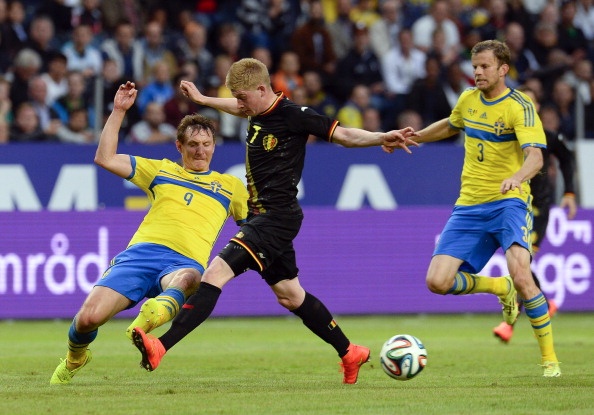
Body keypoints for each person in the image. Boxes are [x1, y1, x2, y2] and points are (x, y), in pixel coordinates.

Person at [130, 57, 417, 384]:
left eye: (242, 97)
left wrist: (381, 137)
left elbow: (344, 135)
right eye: (236, 98)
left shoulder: (294, 115)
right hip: (262, 216)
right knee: (290, 295)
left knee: (215, 273)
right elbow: (239, 107)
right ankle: (350, 351)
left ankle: (161, 346)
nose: (239, 104)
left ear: (262, 89)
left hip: (276, 217)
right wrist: (204, 99)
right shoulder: (254, 109)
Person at [49, 82, 249, 385]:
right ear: (179, 146)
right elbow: (105, 158)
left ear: (214, 145)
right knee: (88, 319)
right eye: (193, 144)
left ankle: (146, 322)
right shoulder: (161, 171)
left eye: (206, 144)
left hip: (184, 261)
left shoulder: (230, 186)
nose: (201, 150)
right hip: (140, 255)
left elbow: (253, 227)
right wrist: (118, 111)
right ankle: (76, 357)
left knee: (192, 278)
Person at [402, 40, 561, 377]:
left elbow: (535, 156)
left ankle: (550, 360)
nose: (477, 72)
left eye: (485, 66)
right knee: (437, 281)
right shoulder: (468, 99)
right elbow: (450, 124)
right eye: (475, 66)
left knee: (522, 275)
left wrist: (517, 178)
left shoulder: (520, 106)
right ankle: (499, 287)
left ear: (503, 69)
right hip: (469, 205)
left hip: (509, 202)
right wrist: (415, 136)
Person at [493, 86, 578, 343]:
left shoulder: (546, 136)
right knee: (520, 265)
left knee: (521, 265)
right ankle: (546, 304)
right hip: (511, 207)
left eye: (529, 101)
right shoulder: (506, 135)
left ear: (537, 107)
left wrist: (569, 193)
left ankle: (512, 321)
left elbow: (566, 158)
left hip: (537, 209)